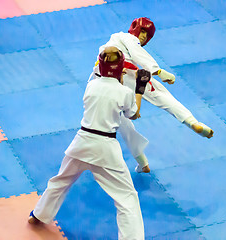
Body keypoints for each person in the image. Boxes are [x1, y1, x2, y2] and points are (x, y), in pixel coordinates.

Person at [28, 46, 151, 240]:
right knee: (127, 197)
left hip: (81, 142)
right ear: (119, 69)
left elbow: (105, 78)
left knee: (61, 180)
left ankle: (38, 215)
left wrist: (118, 74)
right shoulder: (124, 92)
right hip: (105, 148)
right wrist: (140, 88)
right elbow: (134, 114)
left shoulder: (91, 85)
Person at [90, 17, 214, 173]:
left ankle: (143, 164)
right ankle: (193, 122)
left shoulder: (109, 45)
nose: (142, 36)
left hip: (103, 80)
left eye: (146, 35)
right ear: (134, 28)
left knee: (122, 122)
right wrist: (158, 71)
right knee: (162, 96)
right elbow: (138, 53)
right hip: (127, 73)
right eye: (142, 31)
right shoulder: (125, 37)